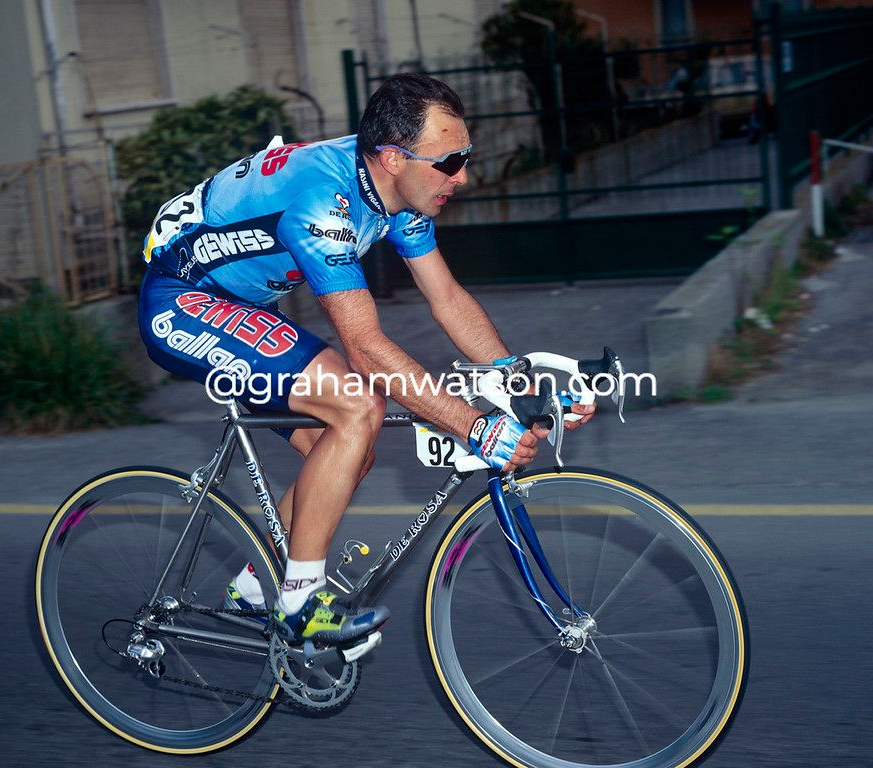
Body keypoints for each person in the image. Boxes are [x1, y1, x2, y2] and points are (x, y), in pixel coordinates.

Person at [138, 74, 595, 648]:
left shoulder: (397, 192)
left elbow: (447, 300)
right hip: (181, 301)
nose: (463, 176)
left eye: (466, 158)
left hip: (242, 303)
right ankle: (300, 602)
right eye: (450, 162)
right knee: (357, 407)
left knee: (348, 448)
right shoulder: (323, 203)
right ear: (392, 158)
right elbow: (366, 349)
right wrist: (473, 425)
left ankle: (258, 586)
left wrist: (521, 385)